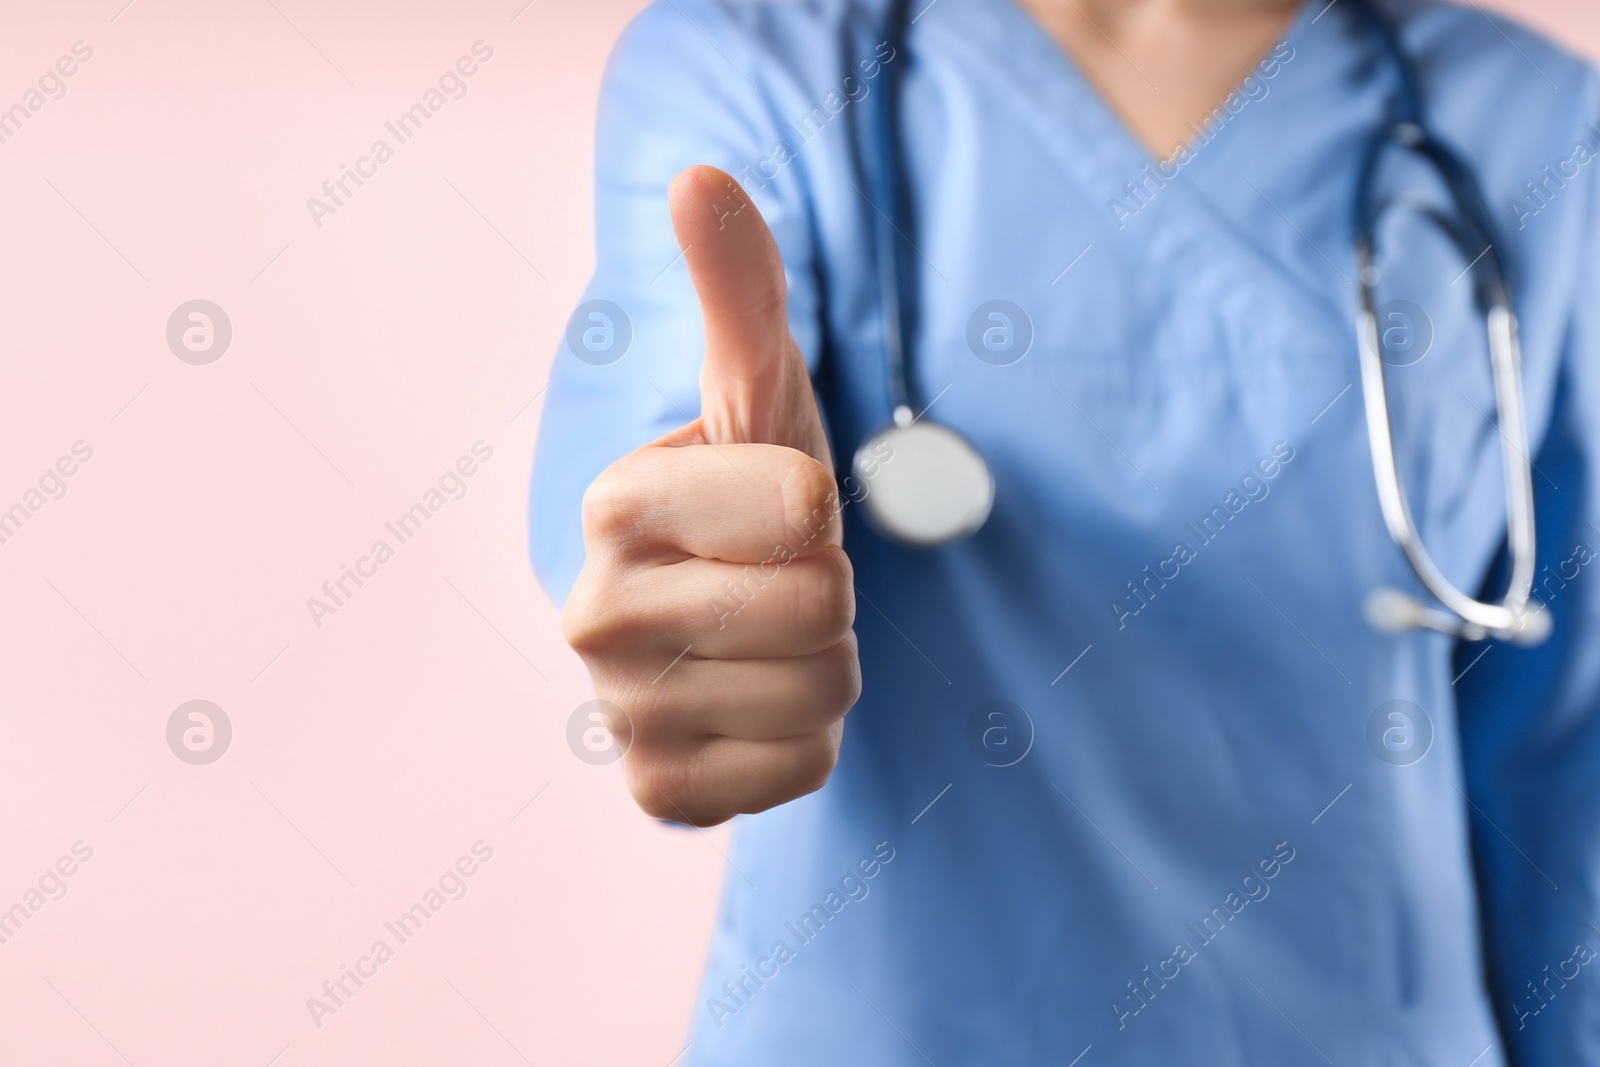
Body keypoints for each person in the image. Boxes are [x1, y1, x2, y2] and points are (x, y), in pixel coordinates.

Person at [531, 0, 1600, 1061]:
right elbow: (655, 456)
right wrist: (694, 599)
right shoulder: (761, 61)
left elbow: (1563, 772)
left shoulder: (1541, 123)